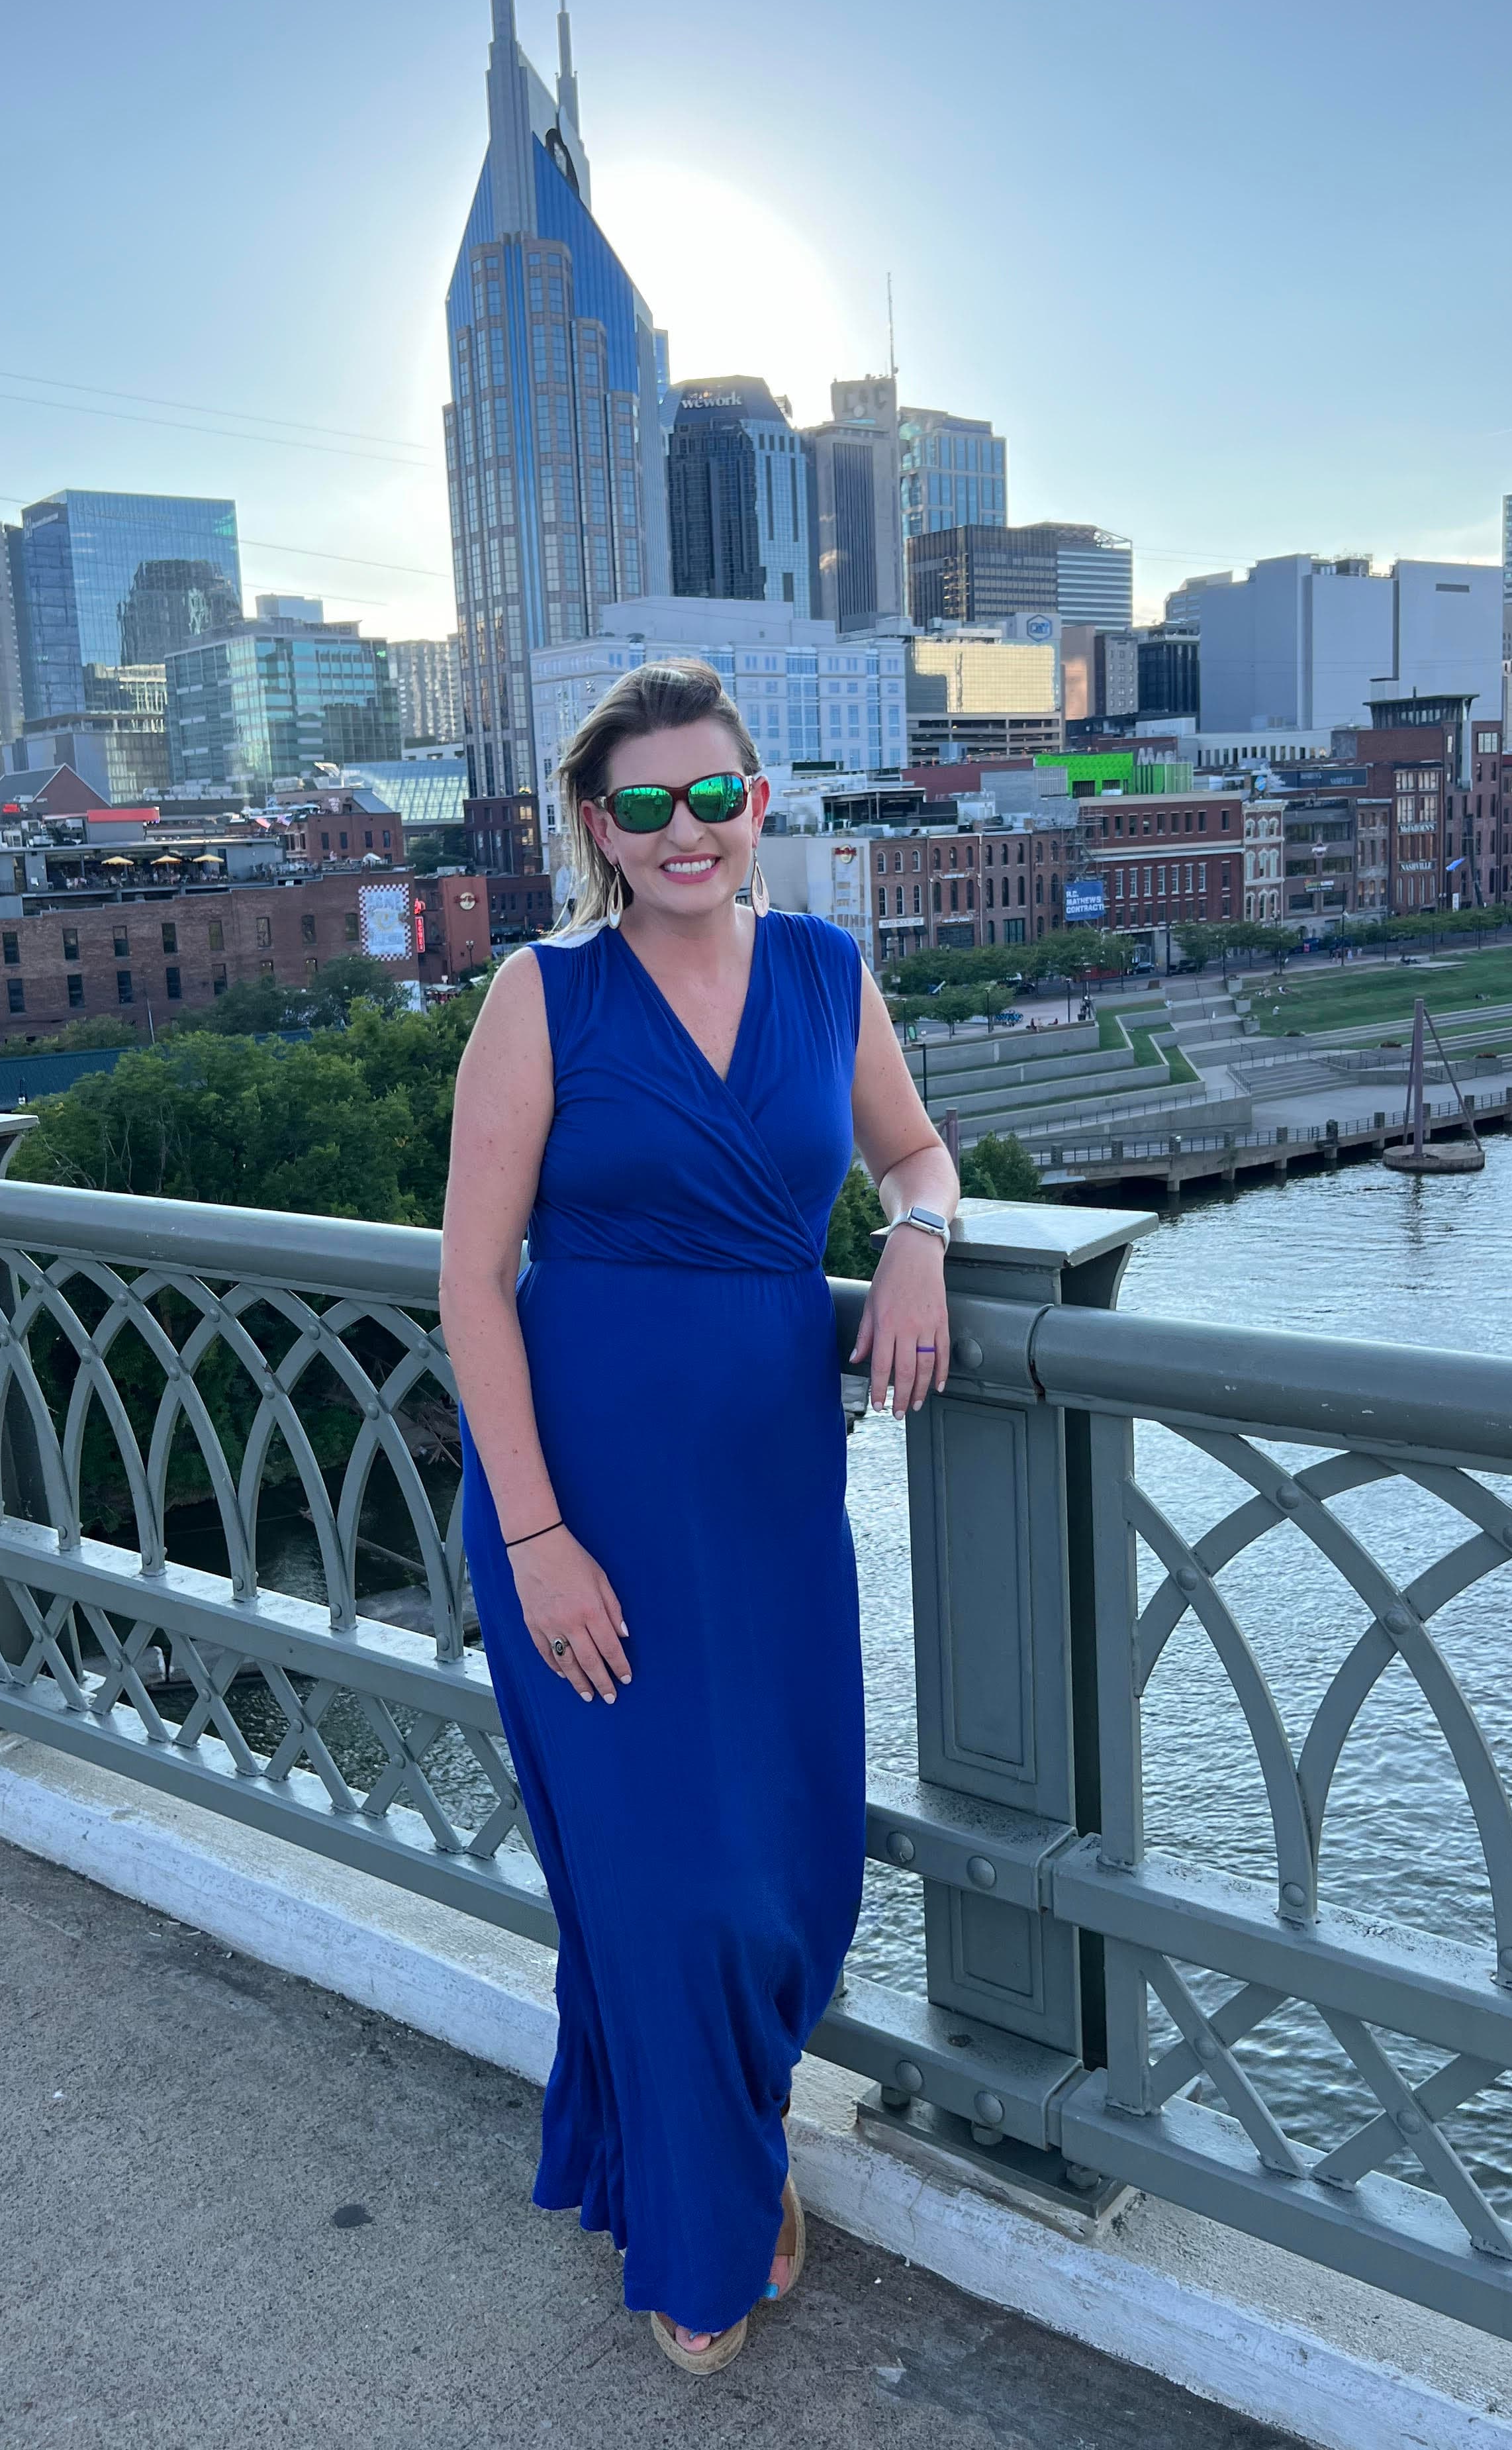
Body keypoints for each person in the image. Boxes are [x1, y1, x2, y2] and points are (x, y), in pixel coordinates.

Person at [439, 660, 959, 2372]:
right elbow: (471, 1284)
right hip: (578, 1514)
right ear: (599, 822)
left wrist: (915, 1240)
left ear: (758, 804)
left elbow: (920, 1157)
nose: (687, 831)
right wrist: (530, 1539)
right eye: (647, 803)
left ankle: (719, 2126)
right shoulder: (545, 994)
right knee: (671, 1892)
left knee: (787, 1877)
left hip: (767, 1514)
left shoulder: (827, 973)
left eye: (715, 797)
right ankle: (707, 2220)